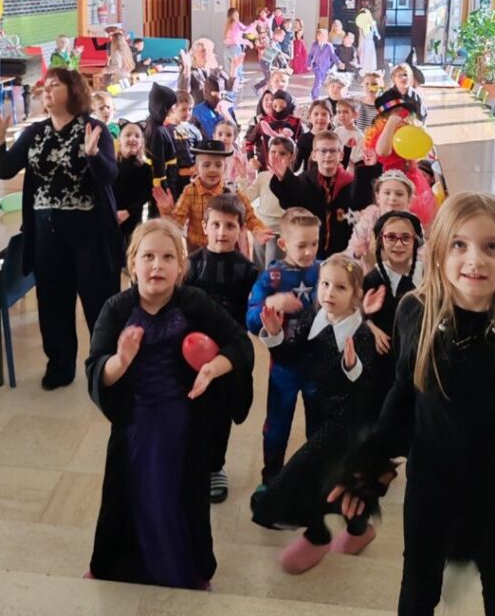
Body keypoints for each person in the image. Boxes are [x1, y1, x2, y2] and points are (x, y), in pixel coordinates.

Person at [329, 192, 495, 616]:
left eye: (492, 246)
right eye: (459, 245)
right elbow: (405, 395)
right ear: (440, 254)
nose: (474, 260)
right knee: (418, 588)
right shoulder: (415, 311)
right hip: (430, 484)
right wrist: (376, 457)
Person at [86, 218, 254, 587]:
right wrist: (121, 361)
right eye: (148, 256)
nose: (157, 265)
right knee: (128, 495)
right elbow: (97, 369)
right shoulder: (116, 309)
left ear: (181, 267)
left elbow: (239, 344)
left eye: (167, 257)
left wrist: (213, 367)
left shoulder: (194, 303)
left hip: (185, 422)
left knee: (182, 495)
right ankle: (115, 565)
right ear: (133, 264)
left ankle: (188, 568)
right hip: (134, 425)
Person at [0, 67, 122, 390]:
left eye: (54, 85)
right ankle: (60, 367)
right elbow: (5, 169)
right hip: (46, 234)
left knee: (99, 302)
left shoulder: (94, 129)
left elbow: (109, 176)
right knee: (52, 304)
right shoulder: (35, 133)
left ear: (73, 90)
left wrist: (92, 155)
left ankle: (108, 368)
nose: (46, 90)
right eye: (45, 86)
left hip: (90, 234)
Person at [251, 255, 380, 573]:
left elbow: (367, 389)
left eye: (340, 287)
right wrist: (276, 336)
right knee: (335, 480)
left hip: (347, 424)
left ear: (356, 294)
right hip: (319, 414)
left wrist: (351, 365)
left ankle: (317, 534)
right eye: (325, 284)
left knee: (302, 477)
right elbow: (292, 358)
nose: (329, 293)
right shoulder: (314, 317)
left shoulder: (361, 335)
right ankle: (359, 530)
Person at [187, 195, 260, 504]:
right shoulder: (191, 265)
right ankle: (189, 460)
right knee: (190, 408)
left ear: (241, 229)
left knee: (220, 414)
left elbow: (255, 311)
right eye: (215, 224)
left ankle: (215, 465)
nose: (222, 232)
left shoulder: (248, 271)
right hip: (190, 354)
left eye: (230, 226)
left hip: (228, 354)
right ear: (204, 227)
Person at [246, 208, 322, 484]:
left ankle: (318, 477)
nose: (309, 251)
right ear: (283, 243)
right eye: (301, 245)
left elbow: (347, 298)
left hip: (318, 363)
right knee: (277, 427)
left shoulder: (323, 270)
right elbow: (250, 318)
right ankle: (271, 479)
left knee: (320, 425)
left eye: (314, 243)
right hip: (283, 367)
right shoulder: (272, 277)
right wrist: (271, 303)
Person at [269, 130, 375, 258]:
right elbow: (290, 203)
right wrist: (284, 179)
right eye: (323, 151)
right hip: (312, 251)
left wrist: (369, 170)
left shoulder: (350, 183)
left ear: (341, 155)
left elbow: (364, 204)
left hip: (343, 251)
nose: (328, 155)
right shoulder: (303, 181)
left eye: (333, 151)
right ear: (314, 155)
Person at [154, 139, 271, 253]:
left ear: (225, 168)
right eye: (206, 165)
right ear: (197, 168)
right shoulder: (190, 192)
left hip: (225, 248)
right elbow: (177, 223)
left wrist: (258, 230)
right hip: (197, 250)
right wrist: (166, 212)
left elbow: (249, 216)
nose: (213, 170)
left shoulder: (232, 191)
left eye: (218, 165)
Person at [362, 210, 424, 411]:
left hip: (418, 361)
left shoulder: (426, 276)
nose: (398, 244)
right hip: (383, 361)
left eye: (406, 238)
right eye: (391, 237)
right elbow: (357, 316)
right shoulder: (372, 279)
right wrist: (370, 326)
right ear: (381, 241)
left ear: (415, 241)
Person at [371, 78, 436, 230]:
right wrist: (391, 123)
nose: (402, 115)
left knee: (415, 223)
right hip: (393, 183)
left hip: (412, 179)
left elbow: (419, 149)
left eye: (402, 111)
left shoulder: (405, 130)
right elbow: (382, 151)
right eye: (396, 112)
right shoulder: (383, 132)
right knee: (396, 221)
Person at [241, 135, 294, 269]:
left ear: (291, 157)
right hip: (260, 229)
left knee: (273, 271)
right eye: (273, 152)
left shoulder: (294, 180)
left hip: (278, 233)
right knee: (258, 268)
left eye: (282, 153)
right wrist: (242, 178)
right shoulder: (263, 176)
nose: (276, 156)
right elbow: (246, 198)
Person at [347, 170, 416, 263]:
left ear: (409, 200)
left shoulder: (413, 224)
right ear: (378, 197)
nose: (392, 198)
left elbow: (421, 254)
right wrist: (356, 253)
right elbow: (350, 252)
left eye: (399, 194)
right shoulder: (369, 219)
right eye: (387, 193)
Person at [114, 123, 153, 250]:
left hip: (134, 216)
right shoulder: (112, 166)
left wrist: (128, 212)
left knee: (133, 249)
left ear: (141, 142)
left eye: (137, 136)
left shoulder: (145, 168)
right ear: (119, 140)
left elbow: (146, 194)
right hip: (113, 216)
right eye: (128, 135)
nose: (132, 138)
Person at [144, 83, 179, 204]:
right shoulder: (157, 131)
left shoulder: (156, 125)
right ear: (163, 107)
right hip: (165, 185)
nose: (174, 108)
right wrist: (163, 190)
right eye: (172, 105)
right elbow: (158, 164)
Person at [178, 38, 237, 105]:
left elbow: (230, 89)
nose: (206, 53)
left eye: (209, 51)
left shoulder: (216, 71)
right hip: (199, 109)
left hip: (218, 109)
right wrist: (186, 68)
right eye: (203, 50)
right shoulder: (190, 72)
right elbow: (183, 93)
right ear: (194, 53)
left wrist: (233, 69)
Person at [168, 91, 201, 195]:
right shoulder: (167, 131)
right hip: (176, 179)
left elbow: (200, 151)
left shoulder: (194, 130)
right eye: (183, 109)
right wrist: (181, 171)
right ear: (174, 109)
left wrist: (198, 166)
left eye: (190, 109)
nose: (187, 113)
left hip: (194, 176)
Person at [294, 100, 333, 173]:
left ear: (330, 118)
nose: (320, 117)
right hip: (309, 178)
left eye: (324, 114)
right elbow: (295, 167)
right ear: (310, 117)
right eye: (316, 114)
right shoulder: (303, 138)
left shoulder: (334, 139)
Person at [253, 25, 291, 95]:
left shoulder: (277, 44)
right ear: (276, 36)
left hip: (268, 63)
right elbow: (276, 49)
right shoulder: (271, 42)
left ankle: (266, 89)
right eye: (282, 36)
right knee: (269, 78)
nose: (283, 38)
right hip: (265, 62)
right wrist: (283, 54)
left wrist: (286, 65)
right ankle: (257, 87)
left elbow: (280, 56)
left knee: (269, 78)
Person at [213, 119, 247, 186]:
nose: (224, 138)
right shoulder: (208, 156)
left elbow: (245, 181)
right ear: (214, 136)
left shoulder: (240, 159)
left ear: (234, 138)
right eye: (220, 134)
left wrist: (243, 176)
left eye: (228, 135)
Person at [308, 28, 340, 101]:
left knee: (323, 81)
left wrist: (338, 63)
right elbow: (310, 55)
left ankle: (314, 92)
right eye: (323, 36)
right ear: (318, 37)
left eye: (326, 36)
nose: (325, 37)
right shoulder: (314, 45)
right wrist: (309, 64)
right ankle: (315, 97)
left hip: (326, 67)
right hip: (317, 67)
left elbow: (333, 55)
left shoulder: (329, 45)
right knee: (318, 80)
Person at [333, 98, 364, 169]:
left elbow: (357, 158)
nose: (341, 115)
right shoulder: (337, 131)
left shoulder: (360, 136)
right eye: (339, 112)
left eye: (346, 112)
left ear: (355, 114)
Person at [223, 8, 248, 85]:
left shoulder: (227, 24)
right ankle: (239, 81)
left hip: (227, 47)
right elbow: (246, 29)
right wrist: (254, 24)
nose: (238, 16)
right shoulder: (236, 23)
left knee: (228, 67)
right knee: (237, 65)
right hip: (235, 47)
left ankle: (230, 83)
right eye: (236, 14)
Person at [355, 8, 380, 72]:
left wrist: (359, 48)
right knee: (370, 58)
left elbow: (361, 37)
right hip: (371, 43)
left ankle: (364, 71)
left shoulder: (362, 25)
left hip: (364, 43)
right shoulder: (373, 23)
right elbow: (376, 34)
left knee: (364, 59)